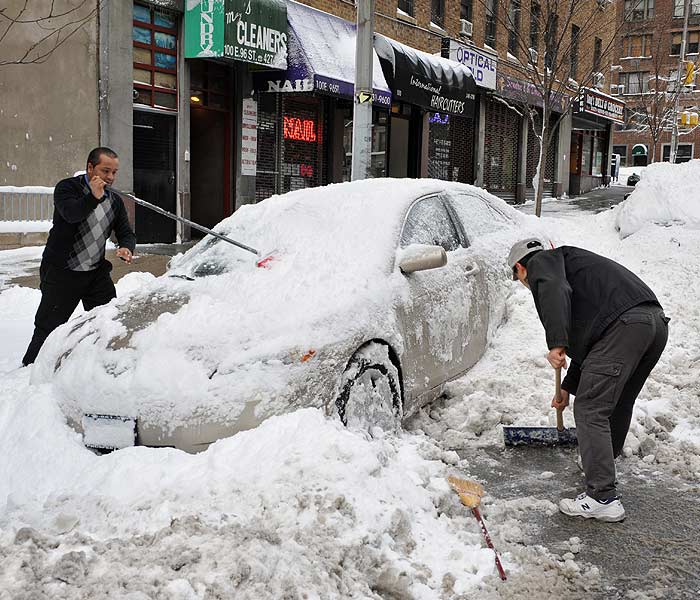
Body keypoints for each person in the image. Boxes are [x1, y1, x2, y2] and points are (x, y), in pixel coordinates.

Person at [507, 238, 669, 522]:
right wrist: (568, 387)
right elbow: (592, 348)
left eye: (520, 277)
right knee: (616, 401)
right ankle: (602, 463)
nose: (526, 283)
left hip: (624, 328)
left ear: (521, 268)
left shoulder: (543, 263)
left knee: (591, 408)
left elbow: (553, 290)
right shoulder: (574, 271)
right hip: (651, 324)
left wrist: (555, 343)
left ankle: (602, 496)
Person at [22, 147, 136, 366]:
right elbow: (72, 214)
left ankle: (99, 365)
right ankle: (30, 370)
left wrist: (126, 246)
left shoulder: (114, 201)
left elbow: (125, 231)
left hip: (95, 273)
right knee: (48, 326)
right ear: (90, 167)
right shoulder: (67, 188)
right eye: (105, 171)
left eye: (114, 172)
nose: (111, 177)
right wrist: (93, 197)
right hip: (62, 272)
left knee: (107, 320)